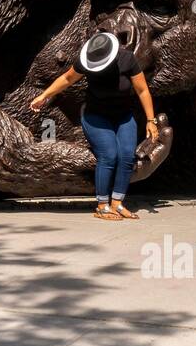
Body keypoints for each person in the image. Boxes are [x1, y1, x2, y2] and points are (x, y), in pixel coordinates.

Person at [29, 31, 158, 220]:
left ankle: (117, 203)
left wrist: (150, 120)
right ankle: (102, 205)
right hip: (95, 117)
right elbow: (67, 79)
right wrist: (44, 95)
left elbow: (142, 90)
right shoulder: (86, 60)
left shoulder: (127, 59)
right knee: (109, 155)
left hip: (123, 117)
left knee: (127, 156)